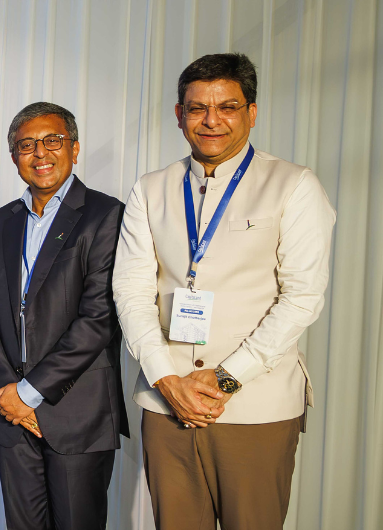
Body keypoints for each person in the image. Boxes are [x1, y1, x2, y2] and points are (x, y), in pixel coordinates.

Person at [113, 52, 335, 529]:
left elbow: (302, 298)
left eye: (227, 107)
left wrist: (226, 378)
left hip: (255, 403)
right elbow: (130, 292)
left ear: (251, 112)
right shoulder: (151, 189)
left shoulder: (294, 185)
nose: (211, 120)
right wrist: (166, 380)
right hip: (166, 402)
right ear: (179, 115)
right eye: (196, 108)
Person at [0, 102, 128, 529]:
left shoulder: (106, 215)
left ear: (74, 148)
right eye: (26, 145)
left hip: (77, 413)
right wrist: (9, 392)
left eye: (52, 141)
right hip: (11, 417)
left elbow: (98, 319)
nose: (40, 153)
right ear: (14, 156)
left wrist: (30, 392)